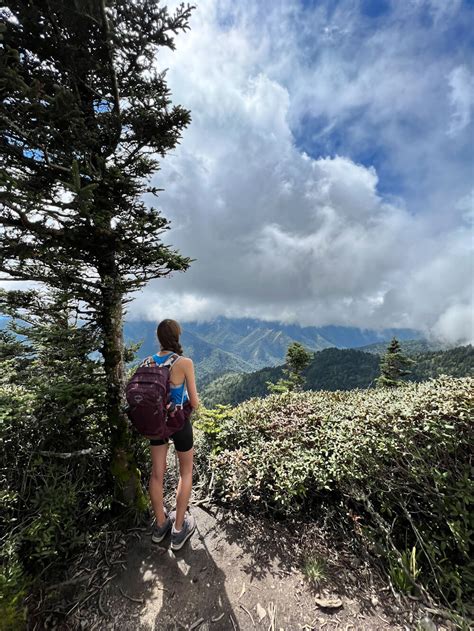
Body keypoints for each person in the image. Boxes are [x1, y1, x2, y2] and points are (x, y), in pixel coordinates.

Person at [143, 318, 200, 551]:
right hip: (178, 423)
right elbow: (194, 402)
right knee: (185, 472)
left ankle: (160, 526)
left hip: (156, 424)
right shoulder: (183, 362)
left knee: (156, 475)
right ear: (177, 336)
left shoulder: (147, 362)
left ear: (158, 338)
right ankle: (178, 530)